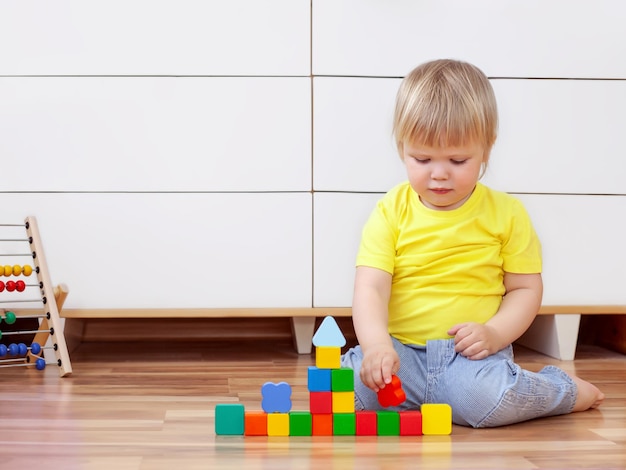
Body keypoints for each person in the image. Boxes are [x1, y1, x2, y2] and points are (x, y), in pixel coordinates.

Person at [341, 59, 604, 428]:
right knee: (348, 392)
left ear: (487, 148)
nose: (439, 173)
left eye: (458, 159)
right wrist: (376, 347)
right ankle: (411, 394)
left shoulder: (507, 214)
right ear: (402, 148)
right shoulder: (390, 211)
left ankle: (561, 389)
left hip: (469, 359)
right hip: (399, 351)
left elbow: (525, 289)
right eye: (422, 158)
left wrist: (495, 333)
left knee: (487, 401)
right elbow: (370, 287)